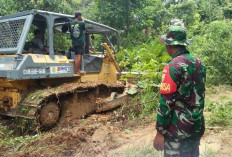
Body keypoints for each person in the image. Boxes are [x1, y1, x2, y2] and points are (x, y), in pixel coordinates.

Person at [153, 26, 206, 157]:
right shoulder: (199, 63)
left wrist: (160, 132)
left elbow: (166, 103)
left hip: (177, 132)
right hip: (196, 126)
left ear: (169, 45)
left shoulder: (173, 66)